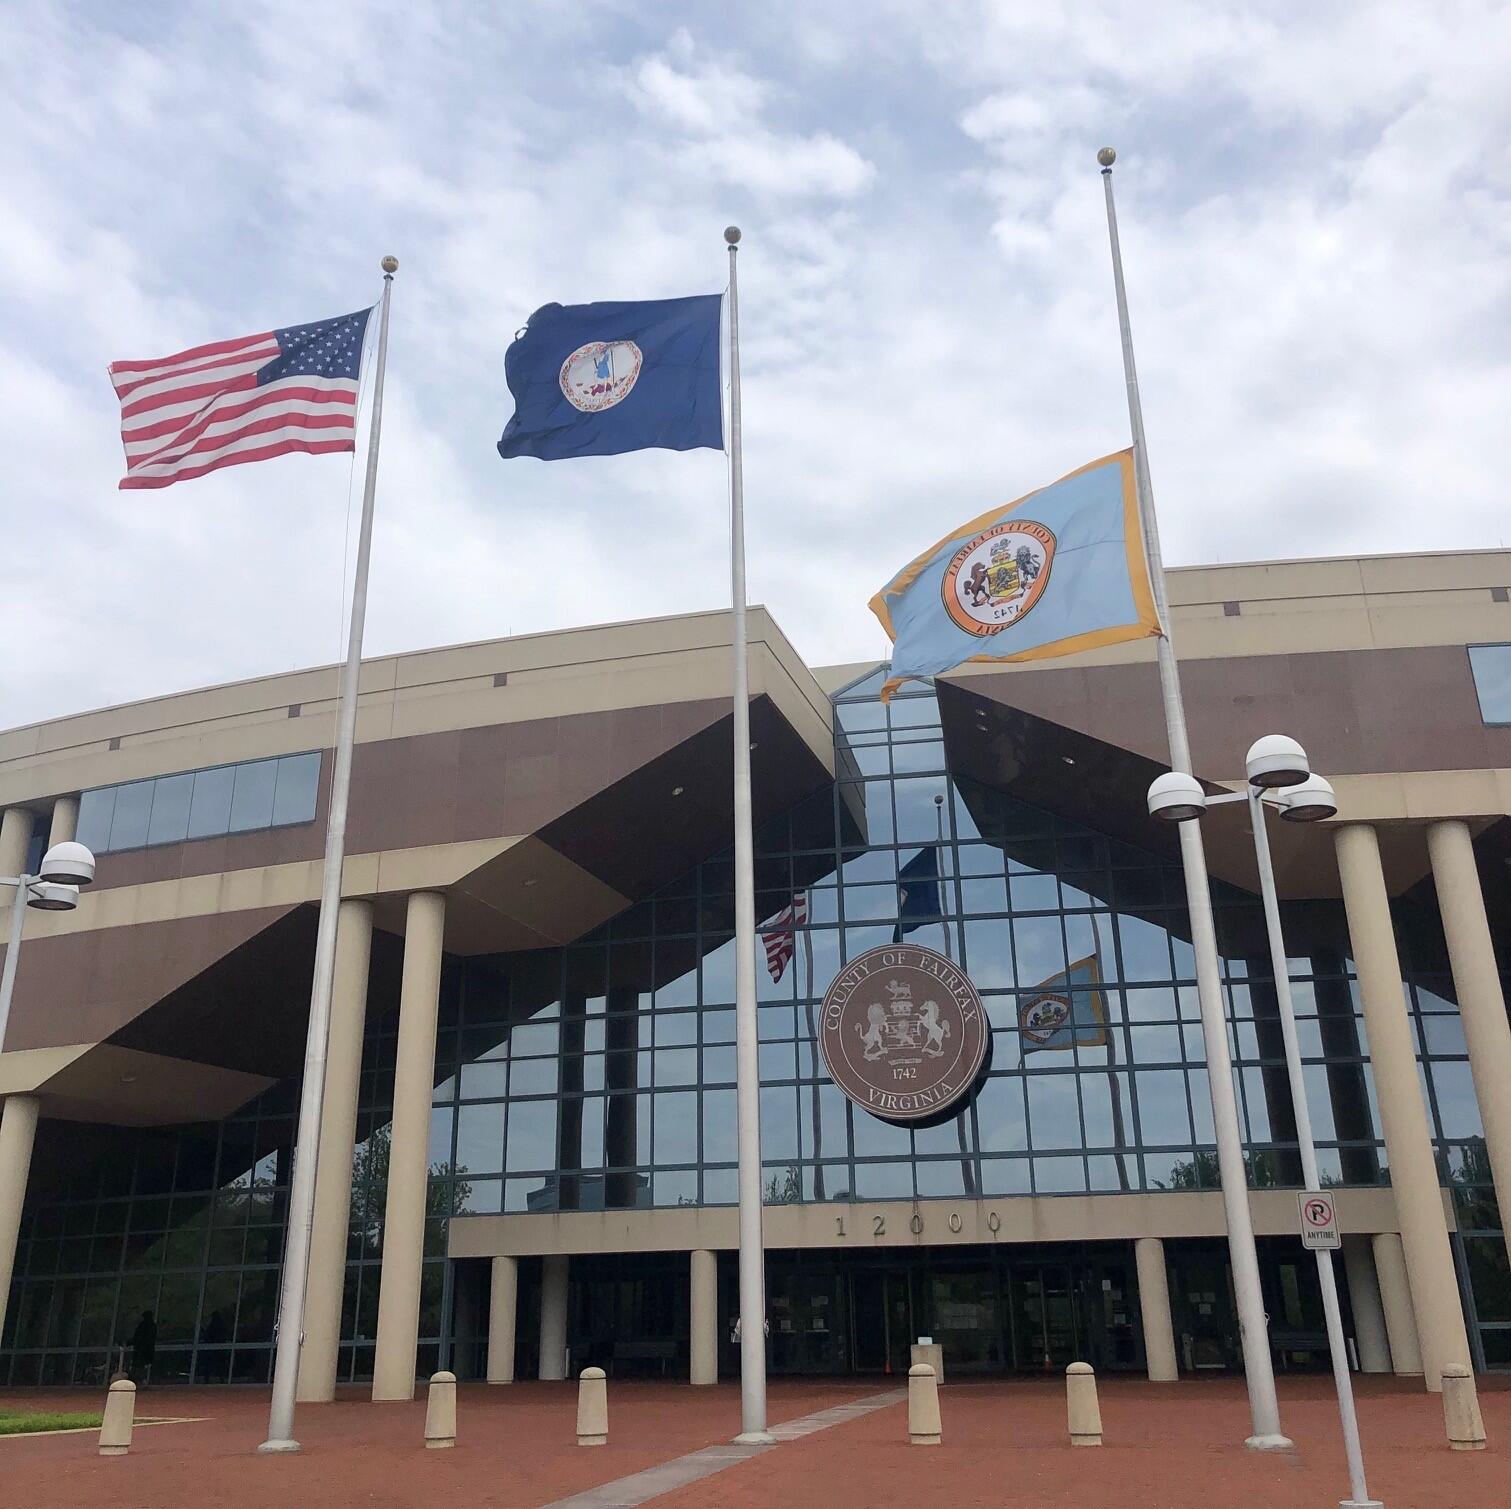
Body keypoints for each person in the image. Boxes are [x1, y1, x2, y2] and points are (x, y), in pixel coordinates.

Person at [130, 1309, 157, 1384]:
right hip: (144, 1349)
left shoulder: (145, 1326)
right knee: (140, 1366)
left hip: (143, 1350)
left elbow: (138, 1338)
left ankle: (140, 1380)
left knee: (140, 1365)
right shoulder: (150, 1325)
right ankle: (139, 1380)